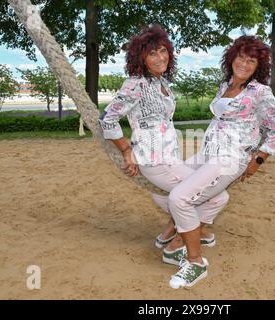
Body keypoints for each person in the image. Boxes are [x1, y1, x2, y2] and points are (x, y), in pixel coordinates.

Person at [98, 24, 229, 283]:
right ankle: (175, 247)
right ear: (141, 58)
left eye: (163, 51)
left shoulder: (161, 81)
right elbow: (108, 119)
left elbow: (152, 121)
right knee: (216, 197)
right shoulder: (136, 84)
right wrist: (126, 150)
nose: (160, 58)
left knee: (191, 196)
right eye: (152, 54)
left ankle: (172, 231)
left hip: (168, 157)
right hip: (156, 160)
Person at [160, 35, 275, 289]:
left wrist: (258, 159)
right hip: (208, 153)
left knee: (179, 197)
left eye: (251, 60)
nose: (244, 63)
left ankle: (192, 258)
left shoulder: (260, 92)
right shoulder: (226, 84)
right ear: (232, 57)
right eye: (241, 57)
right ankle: (198, 231)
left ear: (258, 66)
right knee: (165, 184)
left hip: (230, 158)